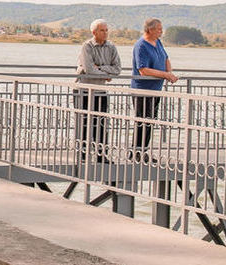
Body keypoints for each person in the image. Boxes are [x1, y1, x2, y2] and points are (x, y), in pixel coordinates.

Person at [131, 18, 178, 155]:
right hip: (142, 90)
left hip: (155, 90)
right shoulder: (141, 45)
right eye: (158, 29)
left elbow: (165, 58)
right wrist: (165, 75)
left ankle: (143, 152)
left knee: (150, 122)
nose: (161, 31)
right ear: (150, 30)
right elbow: (143, 69)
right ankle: (136, 153)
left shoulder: (157, 42)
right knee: (142, 122)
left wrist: (169, 73)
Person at [75, 18, 121, 160]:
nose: (105, 33)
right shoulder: (87, 46)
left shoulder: (111, 47)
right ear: (94, 32)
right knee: (84, 122)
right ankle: (82, 155)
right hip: (83, 90)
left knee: (101, 123)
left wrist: (100, 68)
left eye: (107, 30)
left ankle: (102, 155)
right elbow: (88, 69)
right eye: (102, 30)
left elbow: (117, 69)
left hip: (100, 90)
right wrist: (106, 74)